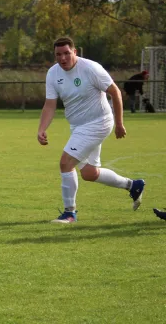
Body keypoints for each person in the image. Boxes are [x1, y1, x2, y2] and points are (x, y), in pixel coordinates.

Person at [37, 37, 145, 224]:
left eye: (66, 53)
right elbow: (50, 104)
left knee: (65, 163)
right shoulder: (53, 74)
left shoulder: (90, 68)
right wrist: (42, 128)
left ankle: (70, 213)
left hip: (99, 122)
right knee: (89, 173)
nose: (62, 58)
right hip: (78, 126)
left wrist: (119, 123)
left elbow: (115, 92)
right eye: (58, 55)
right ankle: (133, 185)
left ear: (75, 52)